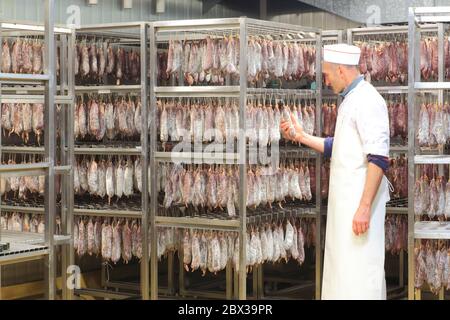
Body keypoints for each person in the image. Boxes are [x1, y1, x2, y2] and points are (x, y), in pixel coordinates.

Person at [280, 44, 391, 300]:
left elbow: (379, 158)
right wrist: (301, 136)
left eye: (328, 73)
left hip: (359, 207)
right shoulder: (350, 100)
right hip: (346, 208)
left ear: (341, 70)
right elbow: (338, 147)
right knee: (342, 272)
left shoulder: (368, 100)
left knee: (359, 275)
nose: (326, 79)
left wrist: (364, 207)